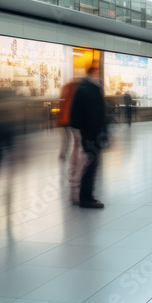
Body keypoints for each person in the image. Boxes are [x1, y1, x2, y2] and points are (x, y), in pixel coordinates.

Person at [70, 65, 108, 208]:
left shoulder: (83, 87)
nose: (99, 74)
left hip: (89, 132)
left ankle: (85, 195)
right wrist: (101, 133)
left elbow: (75, 115)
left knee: (91, 162)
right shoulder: (91, 89)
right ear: (92, 73)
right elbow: (96, 114)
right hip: (92, 133)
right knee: (91, 163)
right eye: (97, 72)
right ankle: (85, 197)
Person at [57, 79, 81, 161]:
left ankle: (63, 154)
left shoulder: (66, 89)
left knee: (66, 139)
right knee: (76, 138)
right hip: (71, 119)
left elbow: (61, 105)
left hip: (63, 119)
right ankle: (74, 155)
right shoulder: (76, 91)